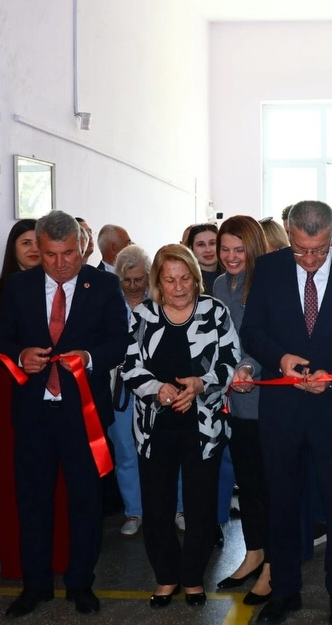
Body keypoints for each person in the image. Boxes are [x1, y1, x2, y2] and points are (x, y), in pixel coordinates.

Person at [241, 200, 332, 625]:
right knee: (281, 501)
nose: (308, 259)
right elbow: (252, 331)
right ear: (289, 233)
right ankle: (284, 592)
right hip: (283, 408)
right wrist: (279, 358)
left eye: (318, 250)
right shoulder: (269, 268)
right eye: (301, 249)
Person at [0, 210, 128, 618]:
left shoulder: (104, 285)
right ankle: (35, 586)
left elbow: (119, 341)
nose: (61, 263)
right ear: (39, 248)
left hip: (83, 413)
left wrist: (89, 357)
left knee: (86, 501)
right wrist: (20, 356)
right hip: (34, 413)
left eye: (69, 254)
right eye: (51, 255)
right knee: (33, 500)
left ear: (82, 247)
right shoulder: (19, 286)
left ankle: (81, 583)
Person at [121, 244, 239, 608]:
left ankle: (192, 577)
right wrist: (158, 389)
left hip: (203, 426)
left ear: (195, 277)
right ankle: (166, 577)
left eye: (185, 278)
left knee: (201, 506)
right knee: (157, 506)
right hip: (155, 425)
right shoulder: (143, 314)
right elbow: (129, 367)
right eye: (170, 280)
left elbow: (230, 360)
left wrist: (201, 384)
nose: (178, 287)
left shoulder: (214, 311)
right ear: (158, 282)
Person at [0, 220, 73, 578]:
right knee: (18, 481)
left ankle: (61, 558)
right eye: (26, 243)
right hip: (14, 391)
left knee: (61, 481)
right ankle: (20, 563)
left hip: (61, 395)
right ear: (13, 248)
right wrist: (20, 357)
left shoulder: (67, 287)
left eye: (39, 243)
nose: (34, 249)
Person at [212, 216, 275, 603]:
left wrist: (248, 367)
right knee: (248, 484)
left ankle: (272, 567)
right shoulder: (220, 284)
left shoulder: (268, 283)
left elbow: (267, 338)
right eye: (225, 249)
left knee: (269, 487)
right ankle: (254, 553)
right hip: (232, 400)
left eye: (240, 249)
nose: (232, 256)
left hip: (264, 399)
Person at [111, 244, 151, 537]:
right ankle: (134, 511)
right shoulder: (110, 302)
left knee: (164, 448)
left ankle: (177, 508)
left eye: (139, 279)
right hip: (120, 388)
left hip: (156, 385)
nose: (134, 286)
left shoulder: (160, 300)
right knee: (125, 450)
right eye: (127, 280)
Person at [184, 223, 222, 291]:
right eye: (201, 245)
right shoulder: (186, 280)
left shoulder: (234, 275)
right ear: (191, 248)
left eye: (212, 243)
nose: (208, 250)